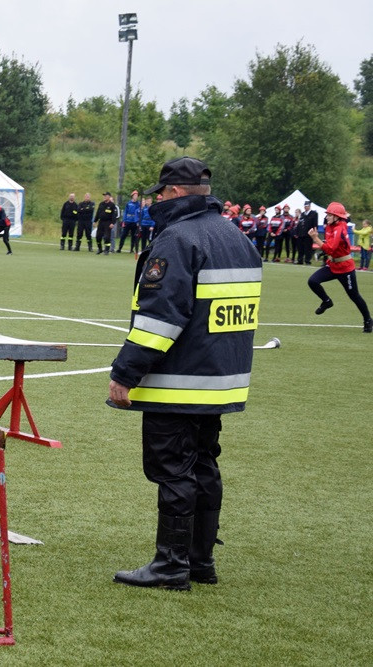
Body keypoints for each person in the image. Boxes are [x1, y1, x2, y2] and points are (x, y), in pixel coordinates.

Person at [108, 156, 262, 591]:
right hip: (221, 377)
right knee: (204, 465)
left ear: (173, 192)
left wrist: (125, 373)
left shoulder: (177, 239)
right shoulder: (236, 235)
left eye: (161, 193)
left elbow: (161, 319)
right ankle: (200, 561)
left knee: (173, 470)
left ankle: (171, 566)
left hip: (179, 379)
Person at [307, 202, 372, 333]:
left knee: (354, 295)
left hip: (345, 268)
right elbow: (330, 245)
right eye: (328, 214)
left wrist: (315, 238)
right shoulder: (331, 226)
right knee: (312, 281)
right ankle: (327, 301)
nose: (327, 217)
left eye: (330, 215)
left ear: (336, 217)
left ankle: (368, 320)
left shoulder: (339, 228)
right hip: (333, 265)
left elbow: (330, 248)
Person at [298, 200, 319, 265]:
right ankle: (300, 260)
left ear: (309, 206)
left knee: (308, 247)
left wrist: (315, 232)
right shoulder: (302, 214)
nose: (306, 207)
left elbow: (315, 224)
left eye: (307, 206)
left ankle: (307, 260)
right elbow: (300, 223)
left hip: (309, 233)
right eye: (305, 206)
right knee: (300, 247)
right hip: (301, 233)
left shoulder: (314, 213)